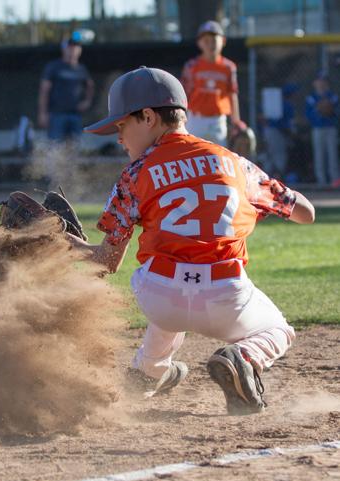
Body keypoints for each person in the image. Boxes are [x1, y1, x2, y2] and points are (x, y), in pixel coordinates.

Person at [73, 67, 314, 415]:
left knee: (168, 296)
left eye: (122, 126)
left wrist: (63, 243)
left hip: (159, 295)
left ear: (148, 117)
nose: (119, 138)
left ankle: (148, 372)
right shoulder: (233, 163)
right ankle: (242, 356)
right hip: (224, 296)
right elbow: (305, 212)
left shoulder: (135, 174)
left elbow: (107, 261)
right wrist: (279, 193)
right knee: (278, 330)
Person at [181, 20, 243, 146]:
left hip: (217, 120)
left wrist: (236, 121)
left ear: (223, 41)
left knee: (218, 157)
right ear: (199, 43)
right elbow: (183, 94)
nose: (210, 44)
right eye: (206, 41)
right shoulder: (192, 66)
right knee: (193, 154)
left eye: (214, 40)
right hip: (195, 119)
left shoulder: (228, 67)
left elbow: (232, 94)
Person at [37, 34, 95, 142]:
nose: (73, 50)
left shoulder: (81, 69)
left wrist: (87, 101)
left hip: (75, 115)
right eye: (70, 47)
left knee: (74, 147)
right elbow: (44, 90)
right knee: (55, 147)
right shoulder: (53, 67)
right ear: (64, 49)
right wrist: (42, 113)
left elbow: (90, 86)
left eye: (76, 47)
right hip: (56, 115)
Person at [305, 71, 340, 187]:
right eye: (319, 81)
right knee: (319, 154)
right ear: (315, 83)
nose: (321, 83)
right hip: (318, 128)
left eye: (323, 81)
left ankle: (335, 180)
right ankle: (321, 181)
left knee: (332, 154)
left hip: (330, 128)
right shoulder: (311, 98)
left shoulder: (333, 97)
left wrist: (329, 109)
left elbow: (336, 112)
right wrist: (319, 108)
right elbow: (309, 115)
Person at [263, 83, 298, 179]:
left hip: (269, 131)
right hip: (276, 132)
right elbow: (283, 124)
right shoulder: (286, 104)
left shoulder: (275, 102)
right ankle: (277, 177)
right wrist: (290, 133)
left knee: (270, 155)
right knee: (279, 156)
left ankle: (267, 177)